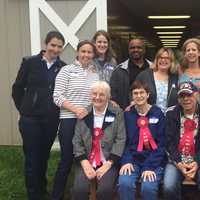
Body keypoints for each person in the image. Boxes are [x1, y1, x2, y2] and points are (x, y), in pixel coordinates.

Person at [12, 31, 66, 200]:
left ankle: (42, 190)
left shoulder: (62, 67)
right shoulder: (30, 62)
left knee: (43, 157)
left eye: (59, 46)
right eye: (53, 45)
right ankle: (33, 194)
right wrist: (23, 110)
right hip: (31, 120)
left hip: (50, 120)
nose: (55, 49)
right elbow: (17, 88)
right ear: (46, 44)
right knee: (32, 159)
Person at [51, 40, 99, 200]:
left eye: (89, 52)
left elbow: (97, 98)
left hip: (87, 121)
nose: (86, 55)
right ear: (77, 52)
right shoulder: (66, 70)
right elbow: (57, 96)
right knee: (66, 159)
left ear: (93, 55)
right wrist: (76, 109)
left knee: (86, 158)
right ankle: (57, 195)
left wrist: (86, 110)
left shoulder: (95, 73)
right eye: (83, 51)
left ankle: (83, 193)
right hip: (69, 120)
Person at [72, 81, 126, 200]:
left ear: (108, 97)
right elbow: (77, 140)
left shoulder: (117, 113)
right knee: (79, 189)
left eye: (102, 94)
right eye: (94, 94)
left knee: (105, 190)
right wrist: (84, 162)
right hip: (86, 160)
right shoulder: (84, 113)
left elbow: (121, 139)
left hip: (108, 161)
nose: (97, 97)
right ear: (90, 95)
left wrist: (109, 163)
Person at [118, 80, 166, 200]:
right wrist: (127, 160)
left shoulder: (158, 113)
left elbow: (162, 143)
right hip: (133, 159)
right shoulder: (127, 115)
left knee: (148, 187)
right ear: (132, 96)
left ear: (148, 94)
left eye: (142, 92)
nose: (139, 96)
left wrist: (150, 166)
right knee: (125, 183)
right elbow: (123, 141)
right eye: (135, 93)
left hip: (154, 161)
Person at [163, 81, 200, 200]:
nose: (186, 99)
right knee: (168, 186)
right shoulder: (170, 113)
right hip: (176, 160)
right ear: (178, 99)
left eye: (189, 95)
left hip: (197, 159)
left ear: (196, 95)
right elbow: (168, 143)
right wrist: (178, 163)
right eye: (182, 96)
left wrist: (197, 162)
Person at [110, 38, 151, 110]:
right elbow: (112, 94)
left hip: (148, 113)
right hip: (125, 113)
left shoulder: (153, 69)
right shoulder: (119, 71)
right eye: (132, 48)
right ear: (128, 50)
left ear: (144, 50)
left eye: (139, 47)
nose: (135, 50)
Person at [136, 47, 178, 113]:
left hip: (170, 118)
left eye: (167, 58)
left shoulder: (175, 78)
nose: (163, 60)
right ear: (156, 60)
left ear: (171, 61)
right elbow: (133, 92)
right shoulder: (144, 75)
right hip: (148, 117)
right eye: (161, 58)